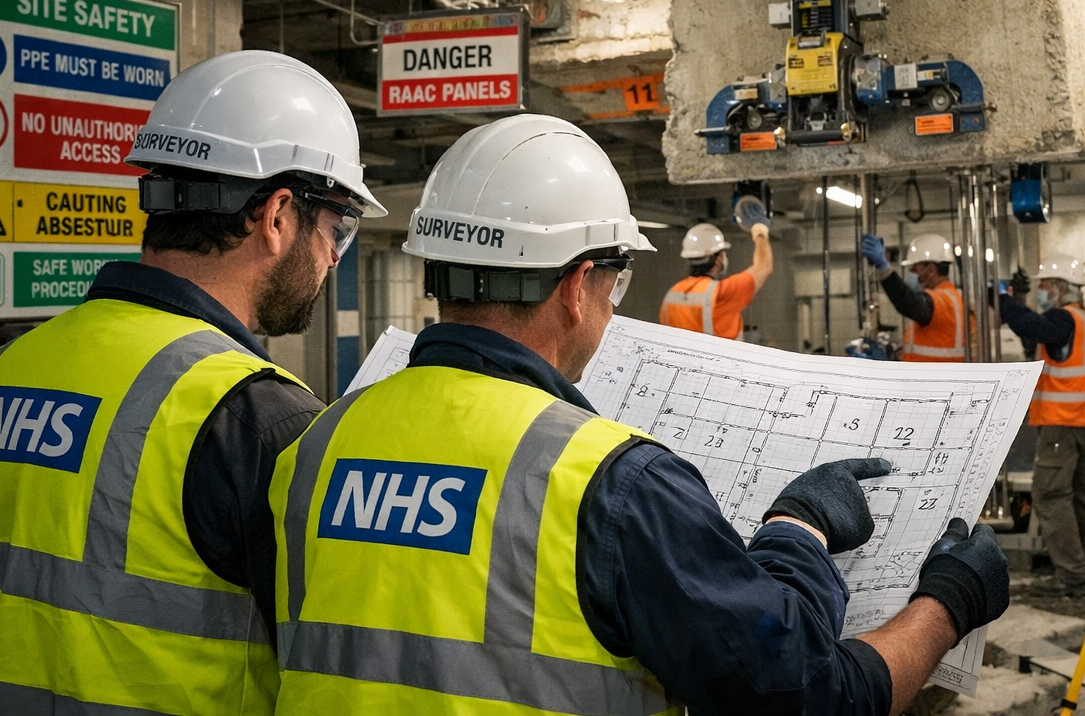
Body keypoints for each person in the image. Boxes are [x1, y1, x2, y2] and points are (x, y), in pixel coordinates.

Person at [270, 114, 1010, 716]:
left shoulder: (315, 441)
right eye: (614, 284)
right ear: (577, 285)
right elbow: (806, 693)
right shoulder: (610, 485)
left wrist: (798, 531)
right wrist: (945, 604)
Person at [0, 50, 385, 715]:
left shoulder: (1, 372)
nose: (330, 256)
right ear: (276, 216)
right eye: (336, 229)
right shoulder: (256, 416)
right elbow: (337, 665)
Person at [997, 253, 1085, 596]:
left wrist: (1002, 299)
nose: (1041, 292)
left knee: (1050, 496)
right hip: (1080, 422)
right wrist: (1017, 299)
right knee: (1083, 495)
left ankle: (1074, 579)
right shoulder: (1084, 320)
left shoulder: (1063, 319)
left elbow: (1029, 325)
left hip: (1062, 424)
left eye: (1045, 285)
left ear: (1060, 289)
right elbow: (1036, 336)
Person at [659, 204, 773, 339]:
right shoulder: (722, 293)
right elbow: (764, 266)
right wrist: (759, 229)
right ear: (719, 259)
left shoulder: (672, 295)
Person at [860, 233, 966, 362]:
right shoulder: (951, 297)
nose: (910, 272)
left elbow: (910, 303)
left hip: (934, 379)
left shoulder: (941, 300)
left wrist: (884, 269)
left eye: (914, 268)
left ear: (931, 270)